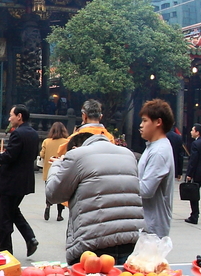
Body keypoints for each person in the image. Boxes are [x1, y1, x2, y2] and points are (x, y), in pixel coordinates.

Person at [46, 131, 145, 265]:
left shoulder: (77, 155)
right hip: (131, 241)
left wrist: (58, 165)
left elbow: (53, 195)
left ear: (75, 148)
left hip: (93, 244)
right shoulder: (127, 155)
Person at [0, 105, 41, 257]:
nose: (9, 119)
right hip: (24, 181)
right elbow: (33, 155)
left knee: (4, 220)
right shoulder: (33, 134)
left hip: (11, 182)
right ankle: (30, 238)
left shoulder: (18, 134)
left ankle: (5, 252)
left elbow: (9, 157)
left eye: (11, 115)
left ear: (19, 116)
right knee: (13, 210)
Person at [138, 99, 176, 238]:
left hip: (152, 229)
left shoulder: (159, 151)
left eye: (144, 121)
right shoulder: (153, 147)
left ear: (158, 122)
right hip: (146, 223)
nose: (141, 125)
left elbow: (146, 189)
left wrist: (123, 183)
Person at [183, 124, 201, 225]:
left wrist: (189, 174)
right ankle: (195, 213)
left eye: (192, 130)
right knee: (195, 193)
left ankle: (194, 215)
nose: (191, 132)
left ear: (197, 132)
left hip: (196, 172)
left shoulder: (195, 144)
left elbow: (193, 160)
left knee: (193, 194)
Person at [41, 122, 70, 222]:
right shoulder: (67, 142)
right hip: (62, 171)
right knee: (61, 193)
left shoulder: (46, 141)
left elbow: (42, 154)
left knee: (50, 190)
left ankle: (48, 205)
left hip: (49, 171)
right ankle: (59, 214)